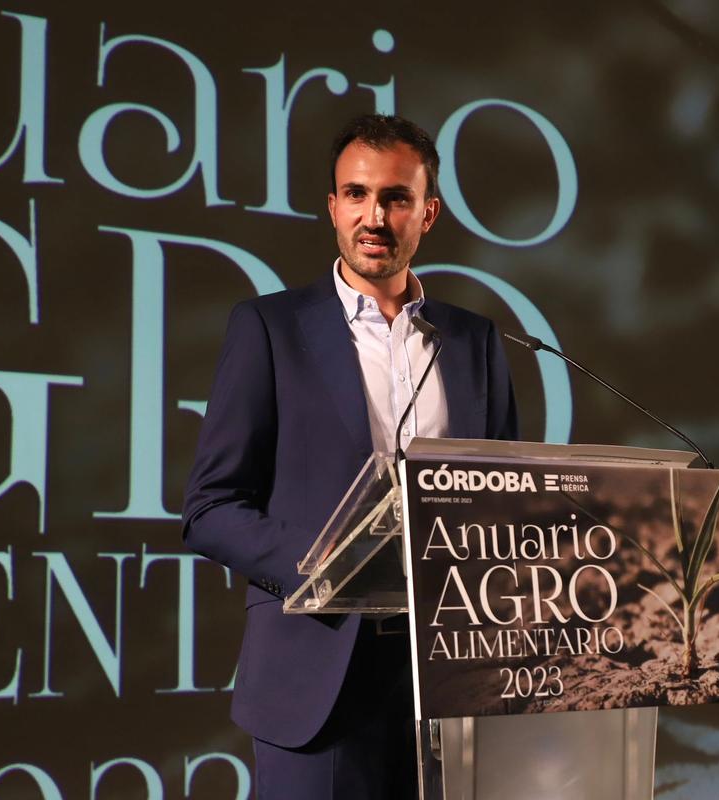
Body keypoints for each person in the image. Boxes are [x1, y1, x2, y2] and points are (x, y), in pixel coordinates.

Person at [182, 114, 519, 799]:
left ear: (427, 213)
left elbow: (507, 501)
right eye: (357, 195)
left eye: (396, 198)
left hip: (450, 681)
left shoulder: (474, 341)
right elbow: (210, 509)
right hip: (317, 678)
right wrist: (331, 563)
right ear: (334, 206)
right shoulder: (270, 329)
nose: (374, 216)